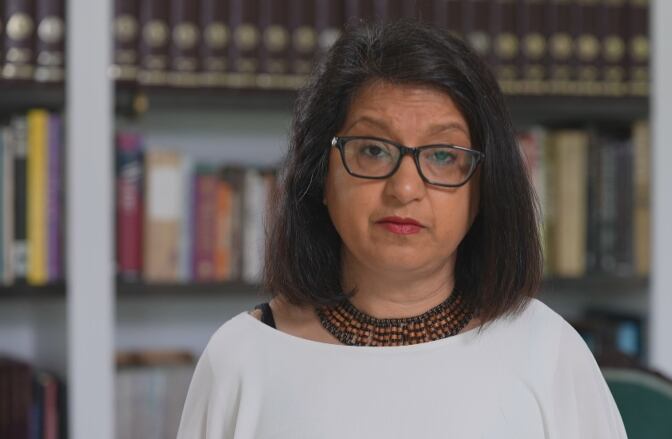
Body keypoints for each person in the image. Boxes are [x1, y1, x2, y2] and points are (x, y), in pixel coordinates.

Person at [177, 19, 627, 439]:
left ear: (486, 189)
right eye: (372, 150)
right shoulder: (239, 359)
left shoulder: (548, 352)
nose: (405, 187)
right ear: (321, 176)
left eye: (444, 155)